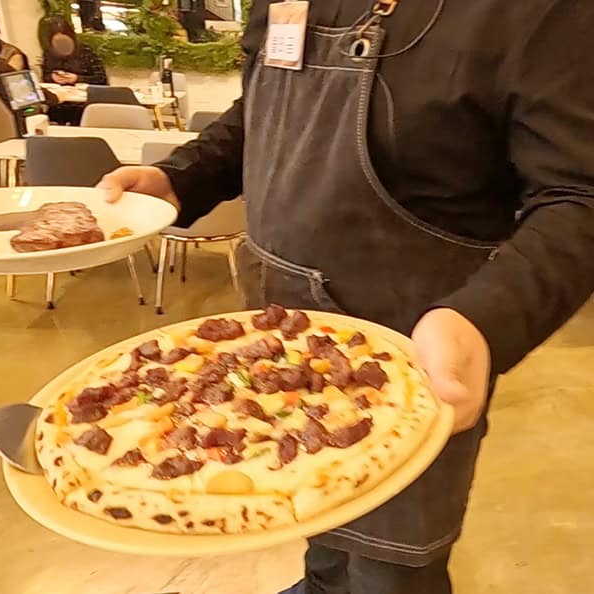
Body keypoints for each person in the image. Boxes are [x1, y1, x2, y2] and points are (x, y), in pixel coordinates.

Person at [100, 1, 594, 593]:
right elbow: (264, 108)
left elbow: (579, 197)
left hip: (416, 353)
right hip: (275, 335)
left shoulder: (542, 12)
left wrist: (485, 321)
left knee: (391, 564)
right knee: (318, 520)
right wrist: (182, 175)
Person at [40, 17, 107, 86]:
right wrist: (52, 77)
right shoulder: (48, 53)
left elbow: (101, 78)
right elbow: (45, 76)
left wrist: (78, 78)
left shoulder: (86, 51)